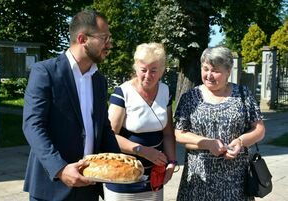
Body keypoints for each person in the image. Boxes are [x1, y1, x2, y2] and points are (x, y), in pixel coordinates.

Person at [22, 10, 120, 201]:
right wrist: (60, 169)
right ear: (82, 38)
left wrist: (121, 163)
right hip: (52, 188)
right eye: (104, 38)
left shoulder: (99, 80)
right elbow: (33, 125)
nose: (109, 44)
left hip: (89, 186)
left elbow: (104, 128)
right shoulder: (45, 72)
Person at [174, 46, 265, 201]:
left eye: (215, 70)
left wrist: (240, 141)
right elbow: (179, 133)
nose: (209, 75)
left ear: (228, 71)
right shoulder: (190, 97)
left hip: (235, 181)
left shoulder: (243, 94)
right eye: (205, 69)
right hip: (198, 180)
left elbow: (259, 129)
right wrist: (208, 144)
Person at [103, 42, 177, 200]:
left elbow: (168, 134)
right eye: (143, 70)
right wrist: (143, 150)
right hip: (123, 174)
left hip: (155, 176)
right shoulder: (122, 92)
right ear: (136, 68)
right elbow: (110, 134)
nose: (148, 75)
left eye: (154, 71)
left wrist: (171, 162)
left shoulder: (166, 91)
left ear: (162, 71)